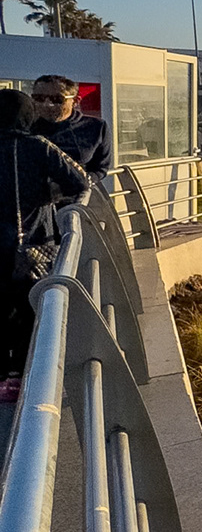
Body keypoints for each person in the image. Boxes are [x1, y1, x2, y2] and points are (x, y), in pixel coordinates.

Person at [0, 88, 89, 402]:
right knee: (28, 311)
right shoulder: (37, 146)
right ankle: (21, 380)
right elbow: (80, 182)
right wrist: (48, 198)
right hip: (31, 246)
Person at [31, 75, 110, 177]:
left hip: (76, 190)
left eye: (57, 99)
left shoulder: (96, 127)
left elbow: (100, 168)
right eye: (39, 98)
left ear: (75, 101)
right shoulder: (24, 127)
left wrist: (84, 183)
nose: (47, 104)